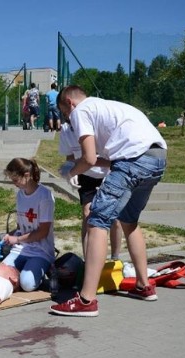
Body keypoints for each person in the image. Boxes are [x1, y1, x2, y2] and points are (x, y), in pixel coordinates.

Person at [51, 85, 167, 317]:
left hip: (133, 161)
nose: (68, 119)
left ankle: (86, 300)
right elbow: (108, 162)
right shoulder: (107, 106)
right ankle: (144, 286)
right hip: (157, 158)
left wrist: (72, 171)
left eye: (65, 113)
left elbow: (89, 157)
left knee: (96, 221)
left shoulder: (81, 111)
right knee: (129, 220)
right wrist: (78, 167)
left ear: (70, 103)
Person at [58, 121, 122, 261]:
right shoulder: (66, 129)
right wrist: (70, 171)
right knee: (87, 215)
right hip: (85, 174)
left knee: (115, 218)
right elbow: (70, 156)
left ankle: (115, 258)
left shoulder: (98, 124)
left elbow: (114, 158)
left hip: (108, 173)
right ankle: (89, 261)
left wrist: (110, 173)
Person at [1, 158, 56, 292]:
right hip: (21, 248)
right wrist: (10, 236)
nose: (14, 184)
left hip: (40, 251)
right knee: (0, 275)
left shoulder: (44, 196)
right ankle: (23, 273)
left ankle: (44, 271)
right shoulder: (20, 195)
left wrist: (18, 239)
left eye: (15, 180)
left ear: (26, 175)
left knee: (27, 284)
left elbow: (43, 231)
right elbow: (21, 227)